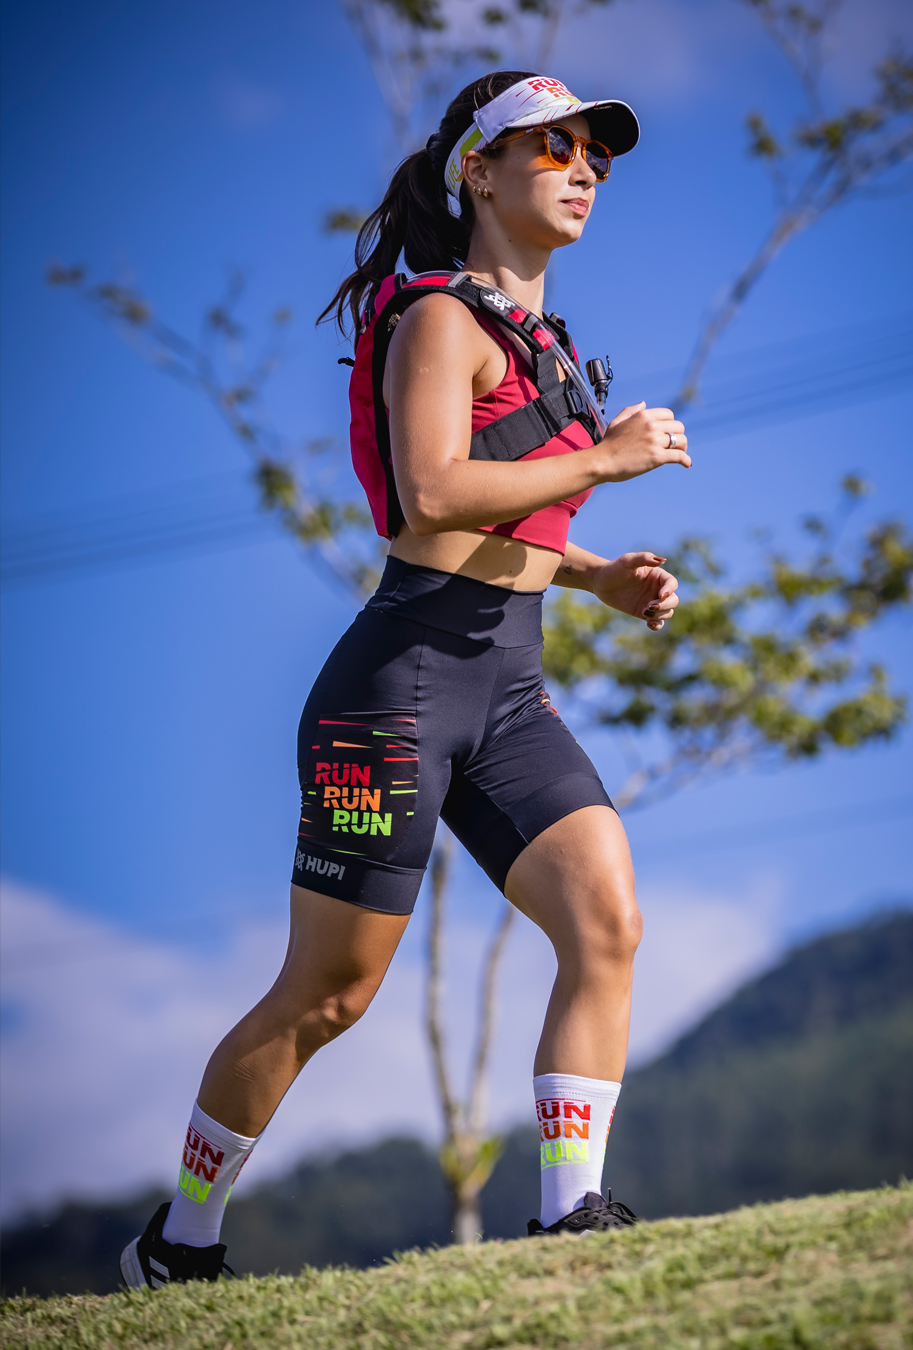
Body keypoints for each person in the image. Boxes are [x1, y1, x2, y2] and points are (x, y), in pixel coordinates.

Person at [120, 69, 691, 1290]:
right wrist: (606, 455)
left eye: (594, 150)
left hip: (513, 683)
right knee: (330, 996)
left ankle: (568, 1218)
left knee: (608, 919)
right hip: (402, 682)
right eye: (550, 148)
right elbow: (431, 493)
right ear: (477, 173)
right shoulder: (438, 320)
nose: (583, 166)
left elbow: (508, 517)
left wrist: (593, 577)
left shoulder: (543, 341)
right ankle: (181, 1242)